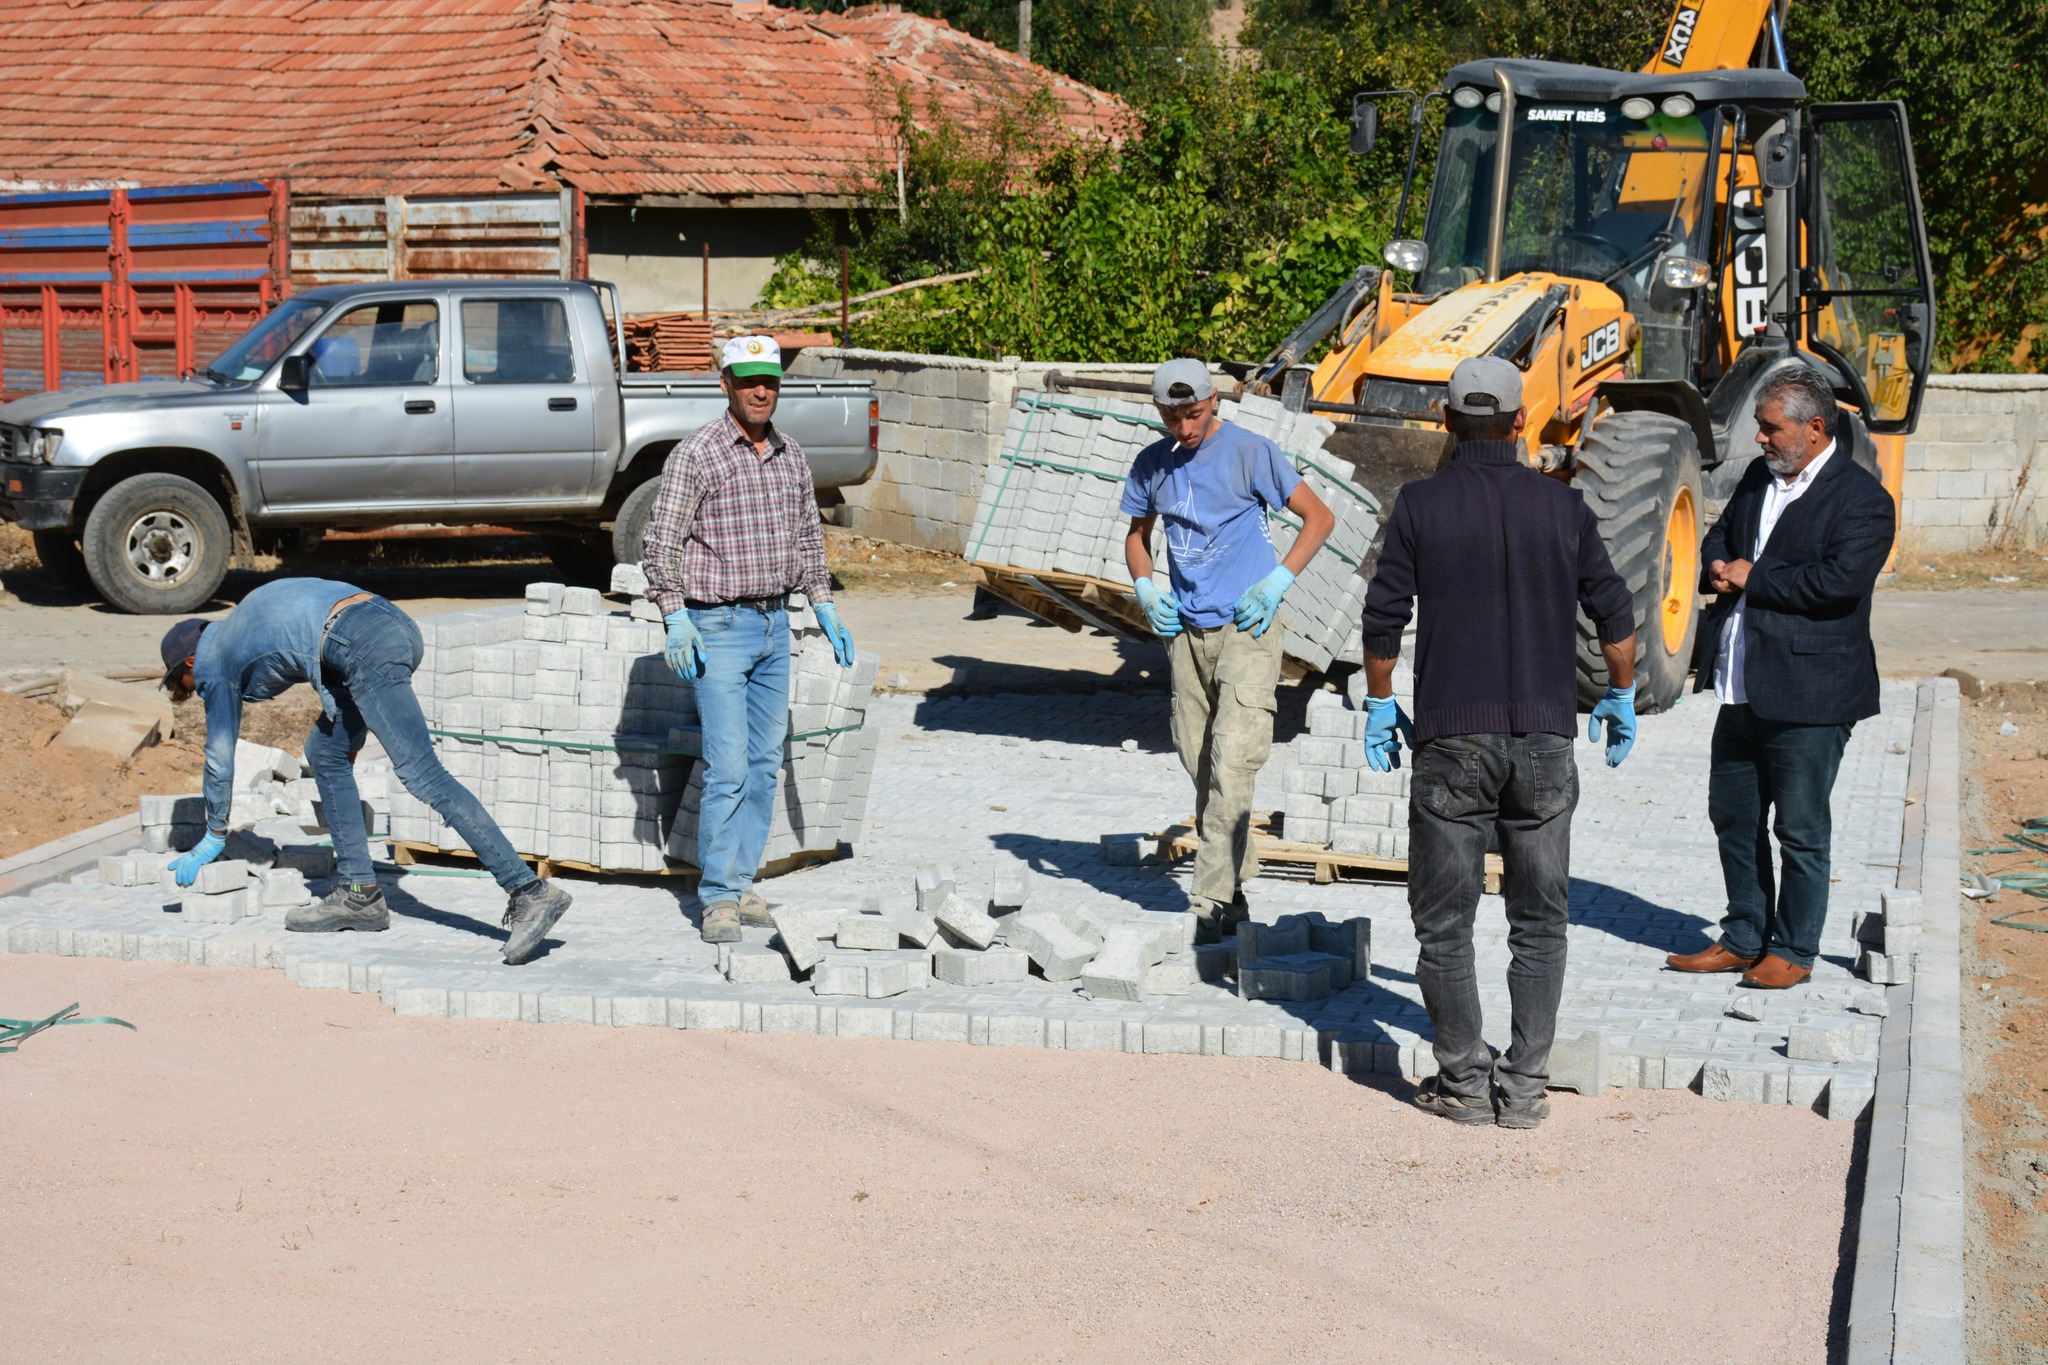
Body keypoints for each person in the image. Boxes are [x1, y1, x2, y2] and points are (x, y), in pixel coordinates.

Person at [1358, 356, 1639, 1129]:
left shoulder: (1418, 506)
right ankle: (1524, 1089)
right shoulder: (1566, 509)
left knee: (1446, 922)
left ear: (1446, 421)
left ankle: (1462, 1082)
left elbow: (1382, 623)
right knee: (1540, 921)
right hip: (1546, 740)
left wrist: (1381, 702)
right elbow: (1617, 619)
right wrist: (1619, 692)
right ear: (1520, 424)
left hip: (1452, 742)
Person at [159, 581, 572, 965]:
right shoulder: (245, 614)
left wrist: (214, 832)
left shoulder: (213, 661)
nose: (195, 689)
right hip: (386, 625)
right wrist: (347, 745)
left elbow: (219, 756)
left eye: (187, 682)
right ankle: (359, 895)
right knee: (325, 752)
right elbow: (312, 633)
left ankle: (529, 891)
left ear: (191, 659)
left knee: (422, 774)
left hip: (358, 642)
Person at [1667, 366, 1896, 989]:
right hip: (1742, 687)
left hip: (1810, 697)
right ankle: (1743, 936)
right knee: (1734, 818)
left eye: (1771, 429)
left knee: (1799, 829)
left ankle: (1793, 950)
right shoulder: (1757, 480)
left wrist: (1751, 577)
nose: (1762, 439)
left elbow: (1837, 585)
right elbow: (1722, 536)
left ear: (1814, 429)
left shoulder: (1863, 500)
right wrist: (1716, 564)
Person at [643, 335, 856, 945]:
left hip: (773, 626)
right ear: (726, 385)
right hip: (718, 630)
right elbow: (661, 541)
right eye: (748, 381)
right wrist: (673, 615)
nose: (761, 391)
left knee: (765, 765)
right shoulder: (698, 454)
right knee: (729, 766)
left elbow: (807, 539)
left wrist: (823, 602)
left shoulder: (791, 455)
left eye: (770, 382)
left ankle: (739, 880)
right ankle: (716, 898)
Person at [1121, 357, 1335, 944]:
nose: (1184, 428)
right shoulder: (1152, 465)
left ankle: (1209, 900)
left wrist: (1278, 582)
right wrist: (1146, 587)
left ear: (1213, 401)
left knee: (1233, 761)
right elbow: (1136, 538)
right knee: (1199, 760)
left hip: (1249, 628)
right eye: (1172, 416)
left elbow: (1319, 517)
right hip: (1188, 634)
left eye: (1193, 414)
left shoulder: (1250, 452)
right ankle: (1234, 889)